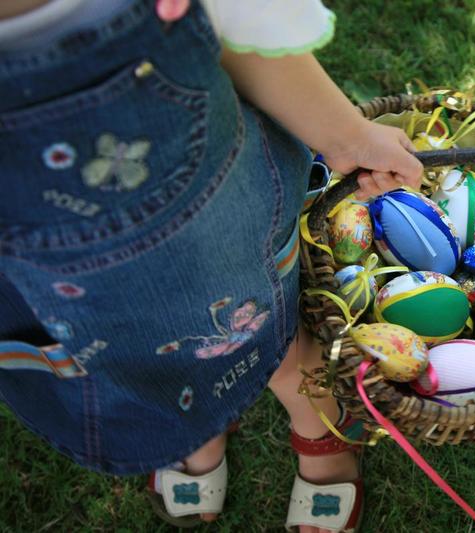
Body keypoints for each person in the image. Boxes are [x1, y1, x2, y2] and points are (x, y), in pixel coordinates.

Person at [0, 0, 423, 531]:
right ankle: (194, 424)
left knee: (261, 320)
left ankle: (313, 413)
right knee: (129, 355)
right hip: (40, 273)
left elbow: (249, 32)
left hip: (200, 221)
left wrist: (349, 140)